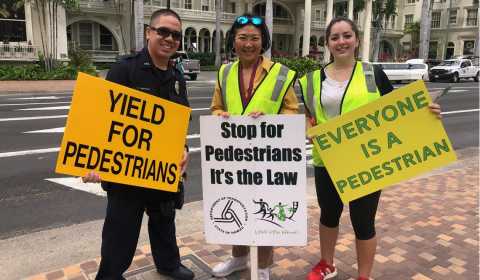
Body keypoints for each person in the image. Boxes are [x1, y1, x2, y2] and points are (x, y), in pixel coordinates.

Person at [298, 17, 442, 280]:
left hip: (367, 161)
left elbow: (397, 112)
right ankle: (327, 264)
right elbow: (311, 114)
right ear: (328, 43)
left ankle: (364, 276)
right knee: (328, 215)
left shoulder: (373, 73)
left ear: (356, 40)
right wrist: (310, 130)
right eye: (335, 37)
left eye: (346, 36)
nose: (341, 42)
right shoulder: (311, 80)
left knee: (363, 222)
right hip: (326, 160)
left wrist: (426, 113)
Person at [82, 9, 194, 280]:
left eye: (175, 35)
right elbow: (102, 120)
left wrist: (184, 151)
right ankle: (109, 275)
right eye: (163, 32)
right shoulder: (125, 70)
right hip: (127, 174)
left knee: (165, 222)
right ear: (149, 32)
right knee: (120, 233)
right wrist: (94, 163)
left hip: (160, 170)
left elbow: (180, 125)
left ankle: (168, 264)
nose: (169, 39)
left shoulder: (177, 78)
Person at [209, 13, 299, 280]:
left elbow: (291, 110)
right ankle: (238, 259)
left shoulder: (281, 74)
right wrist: (219, 117)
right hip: (234, 156)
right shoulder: (225, 72)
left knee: (265, 209)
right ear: (233, 42)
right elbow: (216, 107)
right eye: (243, 38)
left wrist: (271, 121)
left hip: (269, 156)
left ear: (263, 42)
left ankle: (262, 266)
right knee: (236, 205)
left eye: (255, 39)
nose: (249, 44)